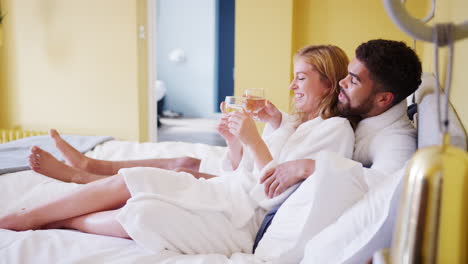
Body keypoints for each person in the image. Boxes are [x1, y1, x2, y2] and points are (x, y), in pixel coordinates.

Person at [0, 45, 355, 255]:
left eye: (301, 77)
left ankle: (63, 218)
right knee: (134, 180)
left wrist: (254, 139)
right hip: (226, 192)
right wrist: (245, 138)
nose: (291, 85)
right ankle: (34, 216)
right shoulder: (294, 124)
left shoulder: (334, 131)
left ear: (327, 81)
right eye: (293, 76)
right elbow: (240, 169)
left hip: (241, 213)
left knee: (143, 211)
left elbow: (273, 196)